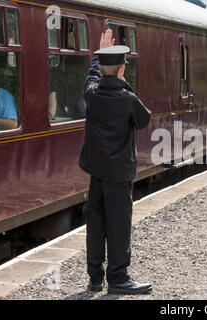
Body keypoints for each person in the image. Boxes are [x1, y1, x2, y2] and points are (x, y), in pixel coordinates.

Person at [79, 29, 152, 295]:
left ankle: (95, 278)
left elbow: (91, 77)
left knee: (96, 225)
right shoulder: (127, 98)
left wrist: (97, 57)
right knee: (119, 226)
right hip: (119, 174)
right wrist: (123, 82)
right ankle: (118, 278)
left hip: (96, 171)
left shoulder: (92, 94)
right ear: (122, 69)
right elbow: (144, 119)